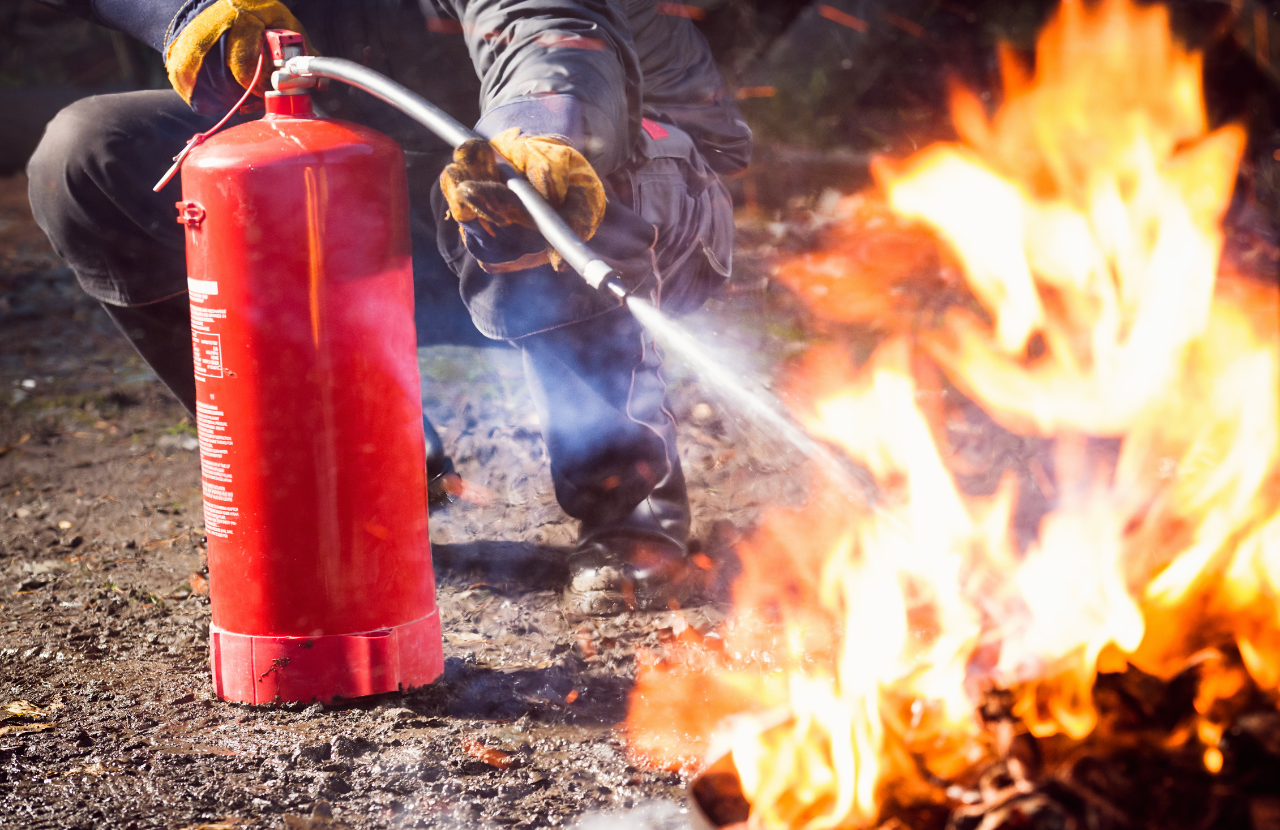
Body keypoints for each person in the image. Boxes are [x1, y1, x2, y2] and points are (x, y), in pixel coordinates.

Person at [27, 0, 752, 616]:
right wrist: (182, 11)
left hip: (634, 173)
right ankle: (363, 481)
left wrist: (540, 128)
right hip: (394, 183)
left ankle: (627, 510)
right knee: (90, 154)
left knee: (522, 173)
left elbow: (551, 32)